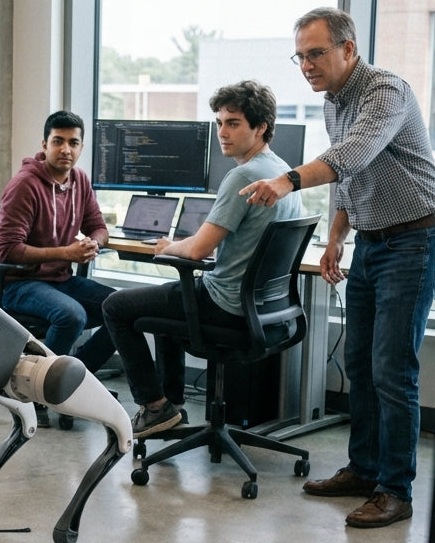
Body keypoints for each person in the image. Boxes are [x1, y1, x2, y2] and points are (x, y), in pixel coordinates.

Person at [241, 7, 435, 529]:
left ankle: (395, 490)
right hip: (373, 242)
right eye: (301, 57)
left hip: (415, 240)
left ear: (348, 49)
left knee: (392, 370)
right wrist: (337, 237)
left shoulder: (385, 92)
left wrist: (287, 180)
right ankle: (364, 469)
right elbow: (347, 179)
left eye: (316, 54)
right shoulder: (334, 101)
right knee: (358, 362)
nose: (307, 65)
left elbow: (354, 154)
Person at [102, 81, 302, 437]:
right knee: (164, 307)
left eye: (234, 123)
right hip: (265, 311)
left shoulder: (243, 175)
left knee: (116, 306)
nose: (222, 132)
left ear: (261, 128)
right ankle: (171, 408)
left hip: (226, 306)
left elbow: (197, 251)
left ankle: (155, 406)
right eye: (219, 122)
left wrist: (168, 247)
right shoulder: (281, 173)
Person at [0, 110, 115, 427]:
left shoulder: (79, 180)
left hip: (60, 279)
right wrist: (66, 252)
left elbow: (98, 226)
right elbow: (7, 251)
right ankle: (39, 391)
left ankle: (71, 380)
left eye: (73, 143)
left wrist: (94, 244)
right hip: (19, 285)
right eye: (58, 141)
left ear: (81, 146)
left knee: (121, 309)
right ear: (44, 144)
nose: (66, 150)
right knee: (71, 315)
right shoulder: (25, 186)